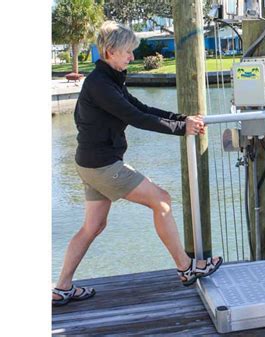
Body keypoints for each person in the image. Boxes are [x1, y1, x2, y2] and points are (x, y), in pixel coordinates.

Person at [52, 21, 222, 307]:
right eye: (128, 52)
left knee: (92, 226)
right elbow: (137, 118)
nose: (132, 57)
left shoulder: (108, 80)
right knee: (163, 201)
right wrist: (182, 129)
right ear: (109, 51)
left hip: (90, 163)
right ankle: (186, 268)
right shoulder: (101, 85)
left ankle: (62, 288)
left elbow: (141, 108)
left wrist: (181, 119)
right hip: (103, 165)